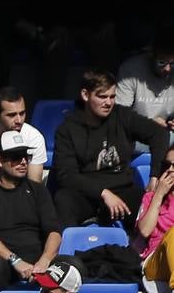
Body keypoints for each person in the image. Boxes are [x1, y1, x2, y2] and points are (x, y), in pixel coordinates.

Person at [53, 70, 166, 230]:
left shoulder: (122, 115)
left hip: (123, 191)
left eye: (112, 97)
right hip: (87, 194)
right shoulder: (68, 129)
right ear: (85, 95)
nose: (108, 102)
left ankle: (145, 252)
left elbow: (158, 133)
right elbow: (66, 175)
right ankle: (66, 253)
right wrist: (103, 193)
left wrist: (155, 175)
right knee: (63, 199)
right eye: (102, 96)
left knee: (151, 203)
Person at [0, 131, 63, 293]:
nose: (23, 162)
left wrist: (45, 260)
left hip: (38, 258)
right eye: (16, 157)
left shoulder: (38, 190)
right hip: (5, 260)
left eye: (26, 157)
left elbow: (53, 230)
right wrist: (16, 261)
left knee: (73, 264)